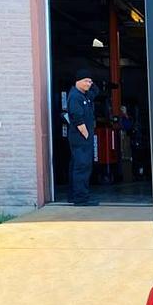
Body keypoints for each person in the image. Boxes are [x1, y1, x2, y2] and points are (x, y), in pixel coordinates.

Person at [67, 69, 99, 206]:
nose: (89, 84)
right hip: (80, 137)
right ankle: (81, 198)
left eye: (90, 81)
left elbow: (96, 91)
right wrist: (86, 134)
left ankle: (73, 196)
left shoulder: (85, 95)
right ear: (77, 81)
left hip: (83, 137)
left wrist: (92, 82)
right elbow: (76, 117)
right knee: (82, 166)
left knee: (77, 165)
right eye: (86, 81)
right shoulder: (75, 96)